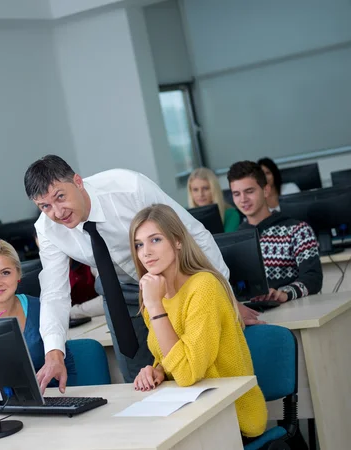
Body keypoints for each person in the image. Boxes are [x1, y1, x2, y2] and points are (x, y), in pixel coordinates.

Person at [23, 155, 261, 391]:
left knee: (197, 364)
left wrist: (226, 295)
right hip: (120, 293)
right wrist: (54, 352)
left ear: (78, 181)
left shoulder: (129, 188)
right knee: (140, 379)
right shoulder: (47, 229)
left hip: (178, 287)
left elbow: (193, 233)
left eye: (60, 197)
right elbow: (54, 293)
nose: (57, 212)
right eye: (45, 206)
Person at [130, 204, 267, 440]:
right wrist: (157, 369)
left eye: (155, 240)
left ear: (177, 241)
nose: (146, 252)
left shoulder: (203, 287)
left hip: (230, 415)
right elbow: (172, 356)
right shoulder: (154, 292)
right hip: (188, 410)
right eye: (139, 244)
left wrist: (155, 308)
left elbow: (187, 372)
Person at [0, 239, 77, 384]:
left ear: (19, 274)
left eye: (5, 273)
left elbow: (66, 367)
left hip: (50, 399)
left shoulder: (42, 309)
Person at [228, 161, 322, 301]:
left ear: (266, 190)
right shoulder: (233, 239)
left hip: (292, 310)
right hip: (249, 314)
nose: (243, 199)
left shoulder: (298, 230)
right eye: (236, 194)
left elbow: (313, 278)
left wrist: (285, 293)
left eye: (249, 191)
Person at [187, 167, 240, 232]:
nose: (200, 194)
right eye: (195, 190)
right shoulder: (185, 217)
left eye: (206, 188)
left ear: (214, 189)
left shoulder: (230, 214)